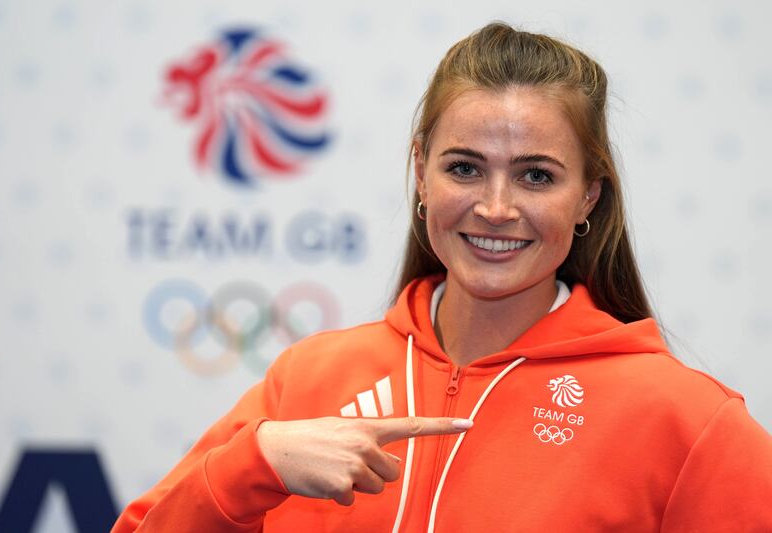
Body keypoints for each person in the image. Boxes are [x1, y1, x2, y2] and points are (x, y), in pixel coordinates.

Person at [112, 22, 772, 532]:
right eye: (464, 167)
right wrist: (252, 466)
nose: (495, 206)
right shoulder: (307, 382)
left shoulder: (684, 419)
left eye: (536, 175)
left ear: (588, 199)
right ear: (421, 171)